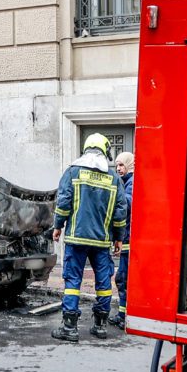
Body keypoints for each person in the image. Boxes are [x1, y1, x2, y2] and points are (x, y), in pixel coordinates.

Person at [51, 133, 128, 342]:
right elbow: (121, 211)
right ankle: (100, 326)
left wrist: (58, 226)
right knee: (103, 284)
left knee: (72, 282)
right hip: (102, 241)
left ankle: (69, 328)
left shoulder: (73, 171)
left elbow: (64, 201)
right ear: (105, 151)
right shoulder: (113, 177)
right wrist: (119, 238)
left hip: (76, 239)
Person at [109, 151, 134, 330]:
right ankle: (123, 315)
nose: (118, 168)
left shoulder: (132, 183)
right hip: (126, 241)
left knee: (123, 279)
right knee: (123, 278)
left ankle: (124, 316)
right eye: (117, 165)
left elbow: (127, 205)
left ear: (130, 165)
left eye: (122, 165)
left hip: (130, 242)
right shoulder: (125, 182)